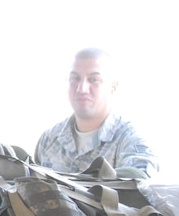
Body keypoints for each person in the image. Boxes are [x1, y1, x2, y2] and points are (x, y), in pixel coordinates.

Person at [35, 48, 157, 178]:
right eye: (75, 78)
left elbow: (141, 187)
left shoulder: (130, 140)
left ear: (113, 85)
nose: (82, 88)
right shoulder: (49, 139)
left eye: (94, 79)